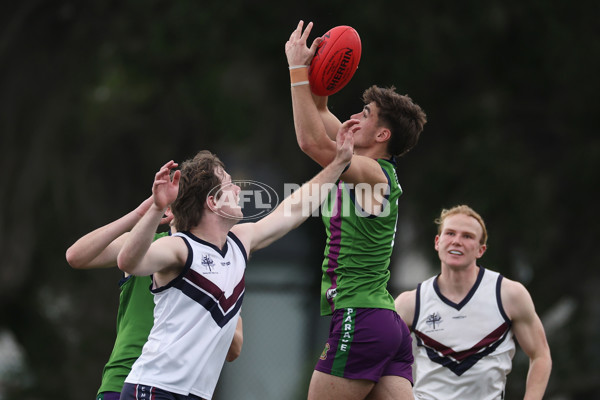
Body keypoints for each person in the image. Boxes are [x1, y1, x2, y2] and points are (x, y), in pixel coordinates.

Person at [116, 121, 355, 400]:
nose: (239, 190)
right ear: (213, 201)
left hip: (194, 395)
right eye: (230, 185)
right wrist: (157, 208)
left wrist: (339, 164)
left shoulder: (240, 241)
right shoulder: (181, 247)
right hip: (156, 389)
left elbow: (296, 208)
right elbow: (129, 262)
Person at [285, 20, 428, 400]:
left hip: (360, 317)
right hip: (386, 324)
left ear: (383, 135)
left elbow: (311, 141)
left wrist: (296, 70)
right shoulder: (363, 164)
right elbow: (319, 112)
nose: (357, 117)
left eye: (366, 114)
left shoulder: (372, 173)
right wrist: (317, 74)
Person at [65, 197, 244, 400]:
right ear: (170, 210)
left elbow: (234, 350)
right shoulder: (143, 246)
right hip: (125, 378)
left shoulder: (219, 267)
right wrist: (139, 215)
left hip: (178, 387)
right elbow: (76, 256)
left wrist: (214, 306)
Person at [394, 205, 552, 400]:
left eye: (467, 236)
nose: (457, 241)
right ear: (437, 242)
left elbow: (540, 355)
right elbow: (381, 360)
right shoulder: (410, 303)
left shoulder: (509, 294)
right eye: (450, 233)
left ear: (481, 250)